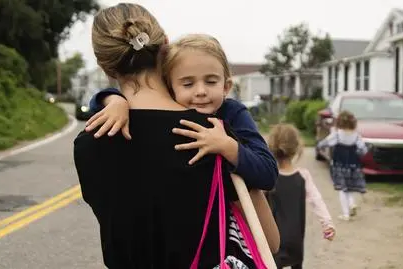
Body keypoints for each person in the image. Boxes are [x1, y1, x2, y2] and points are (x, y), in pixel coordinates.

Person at [73, 3, 268, 268]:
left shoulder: (89, 143)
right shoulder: (209, 133)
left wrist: (113, 100)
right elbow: (268, 240)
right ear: (165, 45)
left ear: (105, 66)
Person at [83, 34, 277, 191]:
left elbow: (268, 173)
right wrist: (115, 101)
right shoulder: (168, 109)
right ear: (170, 87)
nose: (201, 91)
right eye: (188, 83)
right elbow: (95, 104)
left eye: (211, 81)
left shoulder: (232, 113)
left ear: (226, 87)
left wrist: (226, 145)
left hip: (225, 221)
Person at [266, 124, 335, 269]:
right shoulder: (303, 176)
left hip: (272, 241)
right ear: (297, 148)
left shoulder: (267, 178)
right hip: (296, 240)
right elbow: (317, 201)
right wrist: (327, 224)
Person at [317, 110, 367, 221]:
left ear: (339, 122)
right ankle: (352, 203)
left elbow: (325, 142)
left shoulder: (337, 135)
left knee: (342, 189)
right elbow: (363, 149)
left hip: (339, 165)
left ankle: (346, 214)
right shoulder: (356, 136)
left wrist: (319, 146)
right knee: (348, 187)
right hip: (353, 166)